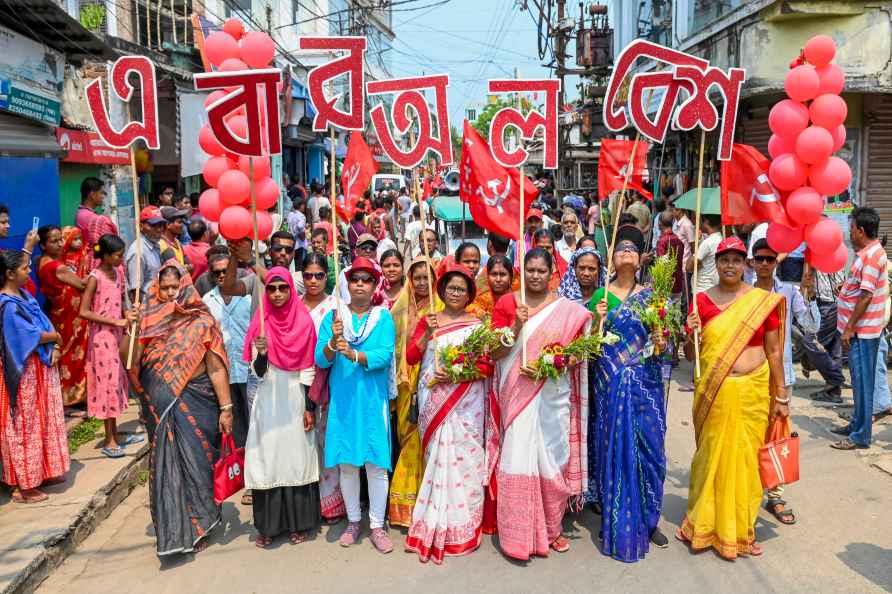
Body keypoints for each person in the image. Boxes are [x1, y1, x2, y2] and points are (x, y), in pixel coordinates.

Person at [679, 236, 788, 560]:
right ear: (717, 263)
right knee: (710, 458)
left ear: (746, 264)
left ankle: (740, 530)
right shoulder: (701, 302)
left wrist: (781, 395)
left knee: (746, 462)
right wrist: (691, 334)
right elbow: (690, 357)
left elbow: (773, 350)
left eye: (737, 260)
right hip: (716, 392)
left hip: (753, 391)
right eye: (725, 259)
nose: (730, 265)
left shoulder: (760, 301)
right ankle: (701, 525)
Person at [485, 248, 591, 560]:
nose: (534, 275)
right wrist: (516, 326)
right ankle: (516, 534)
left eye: (541, 271)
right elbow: (493, 353)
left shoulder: (567, 310)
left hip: (552, 396)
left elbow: (579, 354)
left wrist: (555, 364)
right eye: (529, 270)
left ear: (551, 274)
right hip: (517, 396)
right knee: (518, 459)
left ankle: (550, 528)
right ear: (523, 272)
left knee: (551, 458)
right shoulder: (508, 303)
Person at [124, 260, 233, 556]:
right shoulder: (147, 319)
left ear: (185, 286)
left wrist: (226, 407)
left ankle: (202, 523)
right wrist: (130, 327)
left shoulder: (202, 320)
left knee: (199, 462)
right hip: (161, 404)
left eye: (176, 287)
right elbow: (130, 360)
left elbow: (216, 368)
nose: (171, 293)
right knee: (168, 465)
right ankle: (175, 529)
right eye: (165, 287)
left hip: (199, 399)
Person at [590, 225, 669, 561]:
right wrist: (597, 322)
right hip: (610, 384)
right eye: (620, 248)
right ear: (612, 257)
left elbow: (663, 344)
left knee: (650, 452)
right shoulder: (600, 297)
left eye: (632, 249)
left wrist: (664, 340)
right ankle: (614, 516)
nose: (626, 252)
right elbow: (590, 348)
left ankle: (650, 520)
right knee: (612, 449)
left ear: (640, 260)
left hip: (646, 384)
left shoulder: (653, 295)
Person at [404, 265, 487, 564]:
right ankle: (435, 518)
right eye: (450, 288)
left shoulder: (478, 324)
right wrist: (426, 332)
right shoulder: (430, 320)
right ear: (442, 291)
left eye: (461, 289)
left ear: (469, 295)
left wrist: (455, 375)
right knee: (439, 455)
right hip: (433, 396)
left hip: (468, 401)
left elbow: (485, 366)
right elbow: (412, 357)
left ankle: (465, 522)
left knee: (466, 457)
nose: (455, 293)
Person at [315, 257, 397, 553]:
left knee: (376, 465)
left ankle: (376, 524)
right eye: (355, 279)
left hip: (373, 402)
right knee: (348, 465)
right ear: (347, 284)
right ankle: (353, 520)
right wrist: (331, 343)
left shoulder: (382, 317)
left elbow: (384, 355)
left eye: (366, 279)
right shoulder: (333, 318)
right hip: (344, 402)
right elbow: (320, 359)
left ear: (375, 286)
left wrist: (353, 355)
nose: (360, 284)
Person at [242, 267, 321, 548]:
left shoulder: (304, 322)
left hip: (295, 397)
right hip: (268, 398)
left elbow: (310, 368)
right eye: (272, 289)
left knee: (296, 457)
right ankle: (268, 527)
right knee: (267, 457)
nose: (276, 294)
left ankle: (299, 524)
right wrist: (261, 353)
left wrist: (309, 407)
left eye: (282, 288)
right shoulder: (260, 323)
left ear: (290, 289)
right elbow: (257, 372)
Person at [751, 238, 819, 524]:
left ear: (776, 261)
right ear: (752, 262)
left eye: (769, 258)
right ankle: (748, 491)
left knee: (778, 436)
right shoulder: (743, 293)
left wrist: (810, 296)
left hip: (782, 377)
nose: (765, 264)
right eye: (760, 258)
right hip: (750, 376)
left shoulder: (789, 293)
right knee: (751, 433)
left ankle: (775, 496)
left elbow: (811, 326)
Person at [0, 249, 69, 503]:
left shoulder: (25, 295)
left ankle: (42, 473)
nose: (29, 272)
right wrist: (54, 337)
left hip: (40, 369)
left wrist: (57, 345)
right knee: (23, 426)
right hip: (23, 373)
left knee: (43, 422)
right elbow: (26, 335)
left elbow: (44, 321)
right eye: (24, 268)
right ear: (9, 274)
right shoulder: (6, 305)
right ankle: (23, 485)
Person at [388, 256, 440, 527]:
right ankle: (406, 503)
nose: (422, 283)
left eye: (427, 277)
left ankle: (426, 499)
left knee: (429, 441)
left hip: (434, 380)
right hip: (406, 383)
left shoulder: (442, 306)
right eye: (417, 277)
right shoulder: (399, 309)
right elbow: (395, 348)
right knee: (409, 438)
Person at [79, 235, 141, 458]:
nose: (121, 259)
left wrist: (128, 315)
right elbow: (83, 311)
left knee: (116, 382)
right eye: (117, 255)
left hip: (118, 335)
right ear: (104, 255)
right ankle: (109, 439)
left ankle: (116, 432)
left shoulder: (120, 272)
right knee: (106, 384)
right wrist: (114, 321)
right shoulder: (95, 277)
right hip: (102, 338)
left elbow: (122, 302)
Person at [831, 207, 888, 450]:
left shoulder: (873, 255)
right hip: (859, 331)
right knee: (857, 380)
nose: (849, 232)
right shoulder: (866, 253)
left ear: (861, 231)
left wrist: (849, 328)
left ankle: (861, 436)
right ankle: (857, 423)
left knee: (863, 384)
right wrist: (846, 288)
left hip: (863, 332)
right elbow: (860, 288)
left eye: (852, 228)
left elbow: (866, 296)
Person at [301, 253, 343, 523]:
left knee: (328, 441)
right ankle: (306, 504)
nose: (313, 280)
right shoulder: (294, 306)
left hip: (329, 378)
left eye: (319, 275)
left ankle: (332, 503)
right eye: (308, 275)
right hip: (299, 379)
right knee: (304, 442)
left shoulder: (335, 307)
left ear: (326, 276)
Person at [202, 253, 253, 449]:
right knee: (233, 426)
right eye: (217, 273)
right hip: (225, 372)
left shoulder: (247, 297)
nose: (222, 275)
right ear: (211, 275)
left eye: (226, 270)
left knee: (254, 421)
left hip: (249, 369)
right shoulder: (206, 302)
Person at [37, 226, 89, 408]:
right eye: (54, 241)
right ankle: (73, 397)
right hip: (69, 318)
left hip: (58, 315)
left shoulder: (41, 262)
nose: (60, 244)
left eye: (60, 240)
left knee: (66, 354)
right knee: (74, 356)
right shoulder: (57, 267)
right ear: (43, 245)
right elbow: (82, 285)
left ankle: (67, 397)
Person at [805, 268, 846, 403]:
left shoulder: (826, 255)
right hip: (836, 303)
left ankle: (835, 378)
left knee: (810, 341)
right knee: (835, 349)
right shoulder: (834, 253)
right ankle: (834, 393)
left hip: (829, 304)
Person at [126, 206, 166, 304]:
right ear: (141, 226)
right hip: (147, 308)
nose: (159, 229)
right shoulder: (138, 252)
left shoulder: (155, 245)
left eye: (161, 225)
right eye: (154, 225)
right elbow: (135, 291)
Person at [75, 177, 118, 263]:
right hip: (97, 261)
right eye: (101, 193)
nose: (103, 196)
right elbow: (99, 244)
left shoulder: (81, 213)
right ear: (92, 194)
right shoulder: (92, 218)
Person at [687, 214, 722, 294]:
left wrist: (697, 245)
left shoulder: (708, 242)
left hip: (701, 290)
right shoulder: (720, 239)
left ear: (706, 222)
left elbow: (688, 266)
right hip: (712, 289)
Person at [655, 212, 685, 303]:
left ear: (659, 224)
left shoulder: (662, 241)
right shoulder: (678, 240)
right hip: (678, 284)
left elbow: (661, 264)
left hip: (665, 285)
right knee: (675, 314)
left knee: (661, 313)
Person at [311, 228, 337, 294]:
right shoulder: (309, 260)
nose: (315, 245)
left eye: (318, 242)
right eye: (313, 243)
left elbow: (334, 283)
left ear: (326, 242)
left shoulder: (330, 262)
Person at [287, 197, 308, 265]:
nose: (304, 207)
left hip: (292, 243)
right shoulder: (301, 216)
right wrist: (301, 234)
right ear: (301, 205)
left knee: (294, 264)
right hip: (300, 244)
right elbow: (300, 226)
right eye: (303, 205)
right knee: (300, 265)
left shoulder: (290, 215)